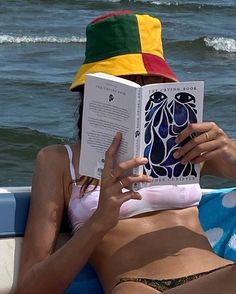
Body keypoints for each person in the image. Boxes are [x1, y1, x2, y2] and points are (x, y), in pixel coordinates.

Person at [17, 11, 236, 294]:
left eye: (148, 81)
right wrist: (98, 223)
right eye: (124, 81)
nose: (139, 88)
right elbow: (31, 288)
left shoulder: (183, 143)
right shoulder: (59, 161)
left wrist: (229, 150)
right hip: (139, 286)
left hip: (216, 275)